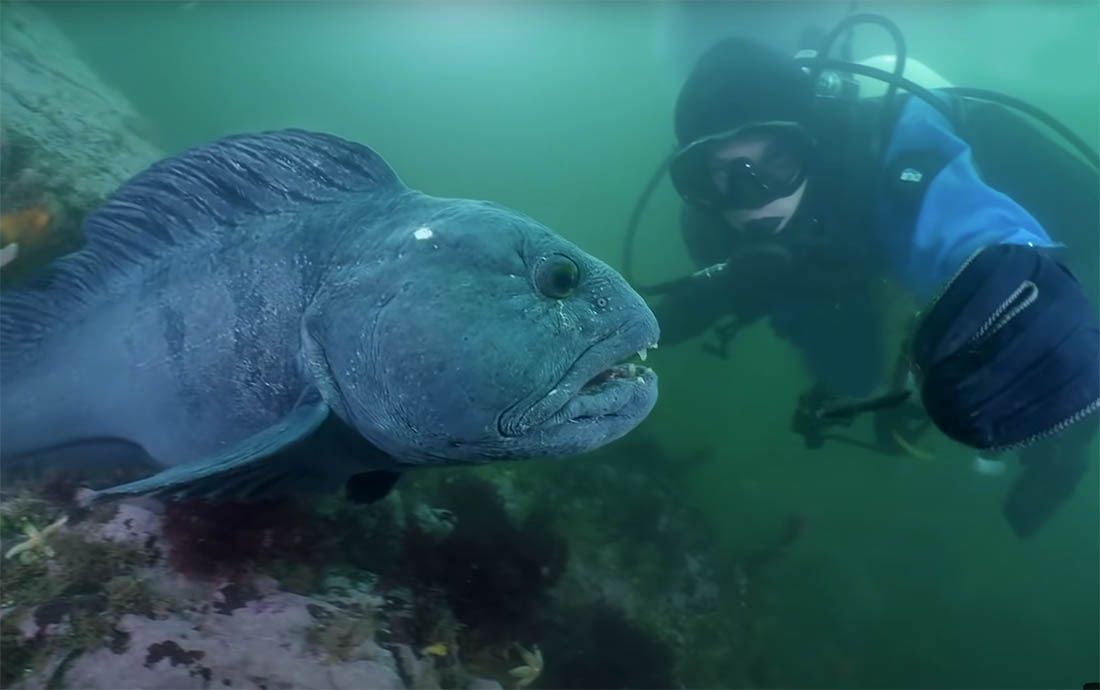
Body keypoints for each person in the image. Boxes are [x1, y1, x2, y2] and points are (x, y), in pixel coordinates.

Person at [629, 14, 1099, 538]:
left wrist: (1010, 290)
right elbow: (707, 298)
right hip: (854, 268)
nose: (753, 197)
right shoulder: (712, 225)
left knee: (1066, 321)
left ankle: (1066, 446)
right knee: (849, 372)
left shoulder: (892, 152)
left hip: (1031, 205)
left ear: (813, 144)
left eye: (775, 162)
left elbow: (969, 226)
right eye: (718, 176)